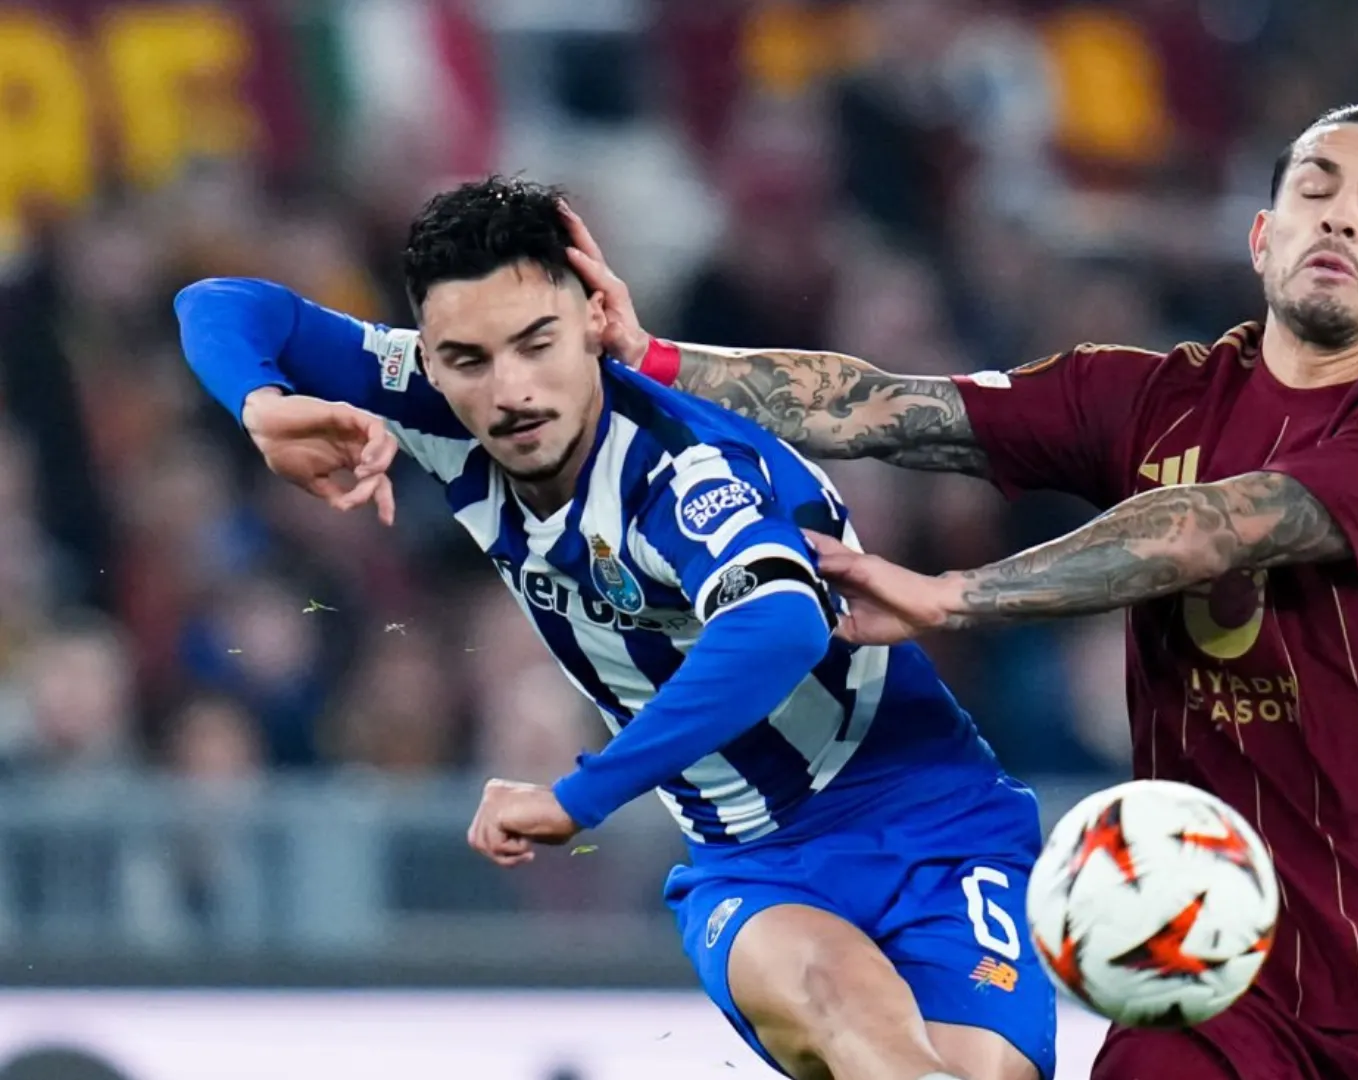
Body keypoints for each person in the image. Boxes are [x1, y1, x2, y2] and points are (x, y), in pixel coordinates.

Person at [584, 103, 1358, 1079]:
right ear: (1261, 235)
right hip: (1214, 988)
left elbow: (1211, 527)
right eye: (1315, 189)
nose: (1340, 215)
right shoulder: (1147, 400)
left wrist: (958, 595)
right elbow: (886, 406)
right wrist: (654, 359)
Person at [172, 178, 1053, 1080]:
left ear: (596, 319)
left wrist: (577, 797)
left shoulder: (683, 470)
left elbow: (779, 624)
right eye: (469, 359)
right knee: (859, 1033)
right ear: (429, 362)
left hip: (935, 818)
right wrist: (260, 405)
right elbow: (223, 304)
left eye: (536, 343)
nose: (510, 390)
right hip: (753, 863)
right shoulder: (436, 407)